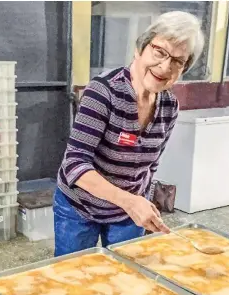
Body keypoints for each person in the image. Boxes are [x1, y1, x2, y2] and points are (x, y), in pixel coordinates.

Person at [54, 11, 205, 256]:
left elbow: (151, 166)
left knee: (128, 277)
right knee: (74, 277)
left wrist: (145, 202)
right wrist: (129, 201)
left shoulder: (169, 107)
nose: (165, 66)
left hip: (127, 214)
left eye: (178, 61)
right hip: (80, 207)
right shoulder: (103, 92)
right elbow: (74, 165)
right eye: (160, 51)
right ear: (140, 48)